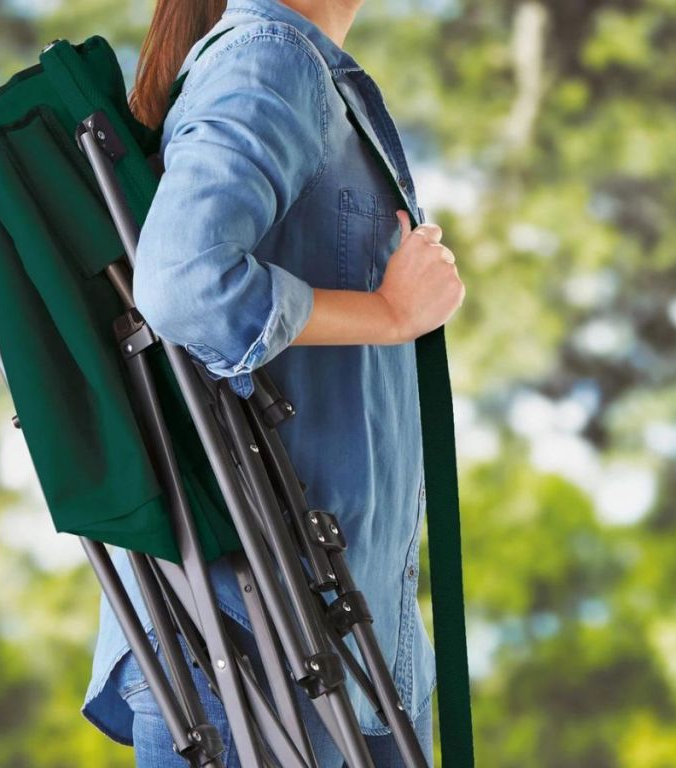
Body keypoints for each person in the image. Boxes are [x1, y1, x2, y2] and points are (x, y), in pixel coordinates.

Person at [82, 0, 466, 765]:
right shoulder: (271, 58)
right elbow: (185, 282)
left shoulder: (303, 68)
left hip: (347, 637)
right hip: (264, 641)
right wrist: (389, 310)